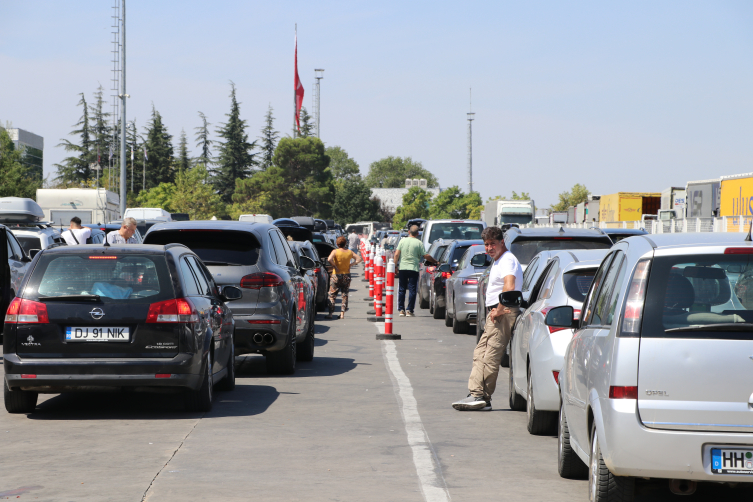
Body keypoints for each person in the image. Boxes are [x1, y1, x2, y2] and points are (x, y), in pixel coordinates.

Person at [452, 226, 523, 411]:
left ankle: (482, 397)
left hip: (504, 311)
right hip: (498, 311)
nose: (489, 248)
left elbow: (510, 286)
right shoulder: (499, 260)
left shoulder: (508, 260)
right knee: (480, 353)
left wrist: (499, 309)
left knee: (490, 355)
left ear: (502, 242)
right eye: (486, 245)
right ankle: (476, 394)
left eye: (493, 244)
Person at [393, 225, 437, 317]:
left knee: (402, 289)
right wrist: (435, 261)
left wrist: (395, 266)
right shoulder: (419, 243)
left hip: (403, 268)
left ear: (409, 232)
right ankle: (409, 310)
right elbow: (426, 256)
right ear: (417, 234)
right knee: (412, 290)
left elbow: (396, 254)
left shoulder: (402, 241)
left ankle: (401, 309)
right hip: (413, 268)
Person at [326, 235, 363, 319]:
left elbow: (329, 259)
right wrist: (351, 264)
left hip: (336, 275)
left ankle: (330, 314)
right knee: (344, 294)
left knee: (332, 295)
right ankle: (342, 313)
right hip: (346, 275)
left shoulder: (335, 251)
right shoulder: (349, 252)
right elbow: (359, 259)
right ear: (345, 243)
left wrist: (335, 266)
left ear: (337, 243)